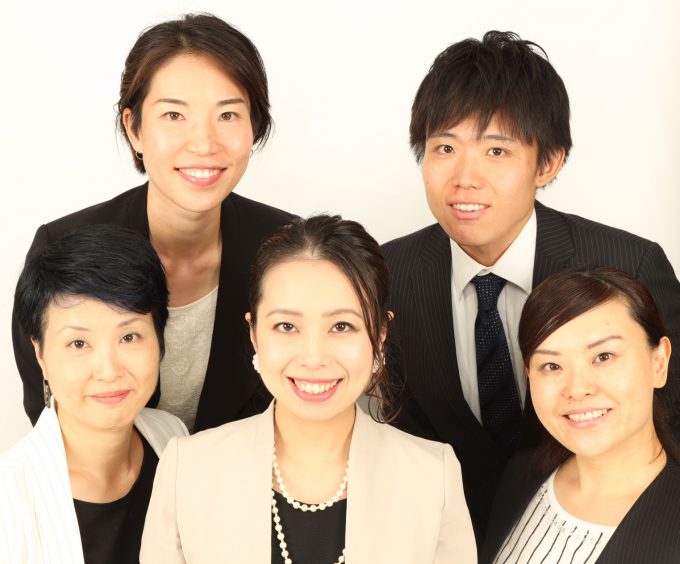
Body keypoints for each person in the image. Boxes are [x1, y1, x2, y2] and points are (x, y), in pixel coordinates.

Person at [381, 30, 680, 544]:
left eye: (496, 150)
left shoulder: (627, 264)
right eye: (445, 147)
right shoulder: (388, 274)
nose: (465, 177)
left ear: (548, 162)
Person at [12, 13, 294, 433]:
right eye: (174, 115)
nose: (203, 143)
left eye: (228, 115)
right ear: (134, 128)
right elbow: (49, 411)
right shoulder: (62, 247)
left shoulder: (290, 250)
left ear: (254, 126)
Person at [140, 215, 477, 563]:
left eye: (341, 326)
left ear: (379, 335)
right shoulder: (187, 470)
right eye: (286, 326)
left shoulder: (432, 476)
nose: (313, 358)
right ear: (254, 334)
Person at [0, 224, 188, 563]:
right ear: (40, 354)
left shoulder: (173, 438)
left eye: (129, 337)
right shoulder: (10, 498)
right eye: (78, 343)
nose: (108, 371)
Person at [481, 268, 680, 563]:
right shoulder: (520, 475)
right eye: (551, 366)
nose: (576, 389)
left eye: (603, 357)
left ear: (659, 362)